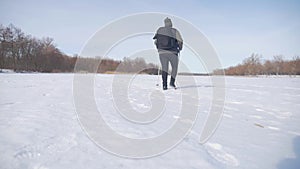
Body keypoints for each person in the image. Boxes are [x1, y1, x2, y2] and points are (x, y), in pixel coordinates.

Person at [153, 17, 183, 90]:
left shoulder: (159, 30)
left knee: (164, 68)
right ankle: (172, 83)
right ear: (171, 23)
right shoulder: (174, 31)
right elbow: (180, 41)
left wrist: (159, 49)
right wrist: (180, 48)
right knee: (174, 68)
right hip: (173, 52)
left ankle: (164, 85)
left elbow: (155, 41)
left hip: (162, 52)